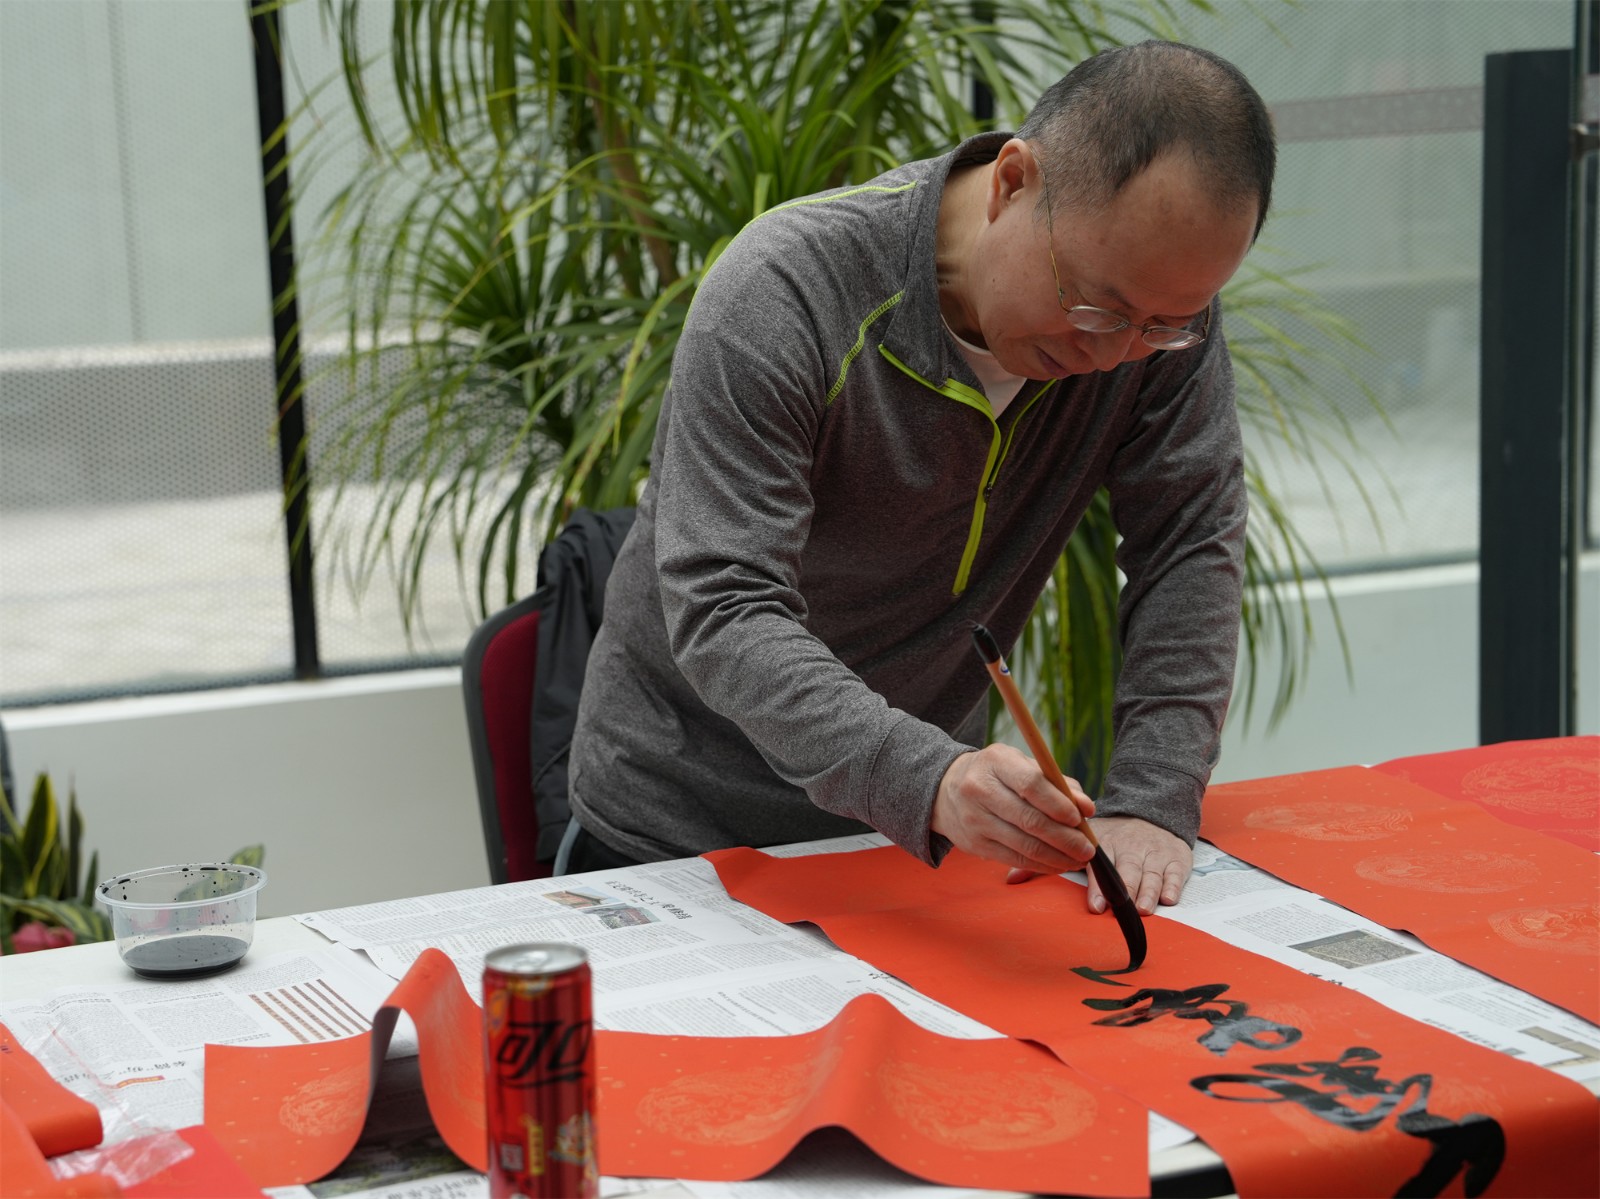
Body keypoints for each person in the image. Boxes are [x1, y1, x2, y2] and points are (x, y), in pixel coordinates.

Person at [565, 39, 1275, 917]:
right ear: (1013, 181)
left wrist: (1154, 795)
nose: (1113, 354)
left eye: (1165, 324)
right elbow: (726, 606)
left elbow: (1189, 541)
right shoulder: (786, 292)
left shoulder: (1154, 322)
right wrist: (931, 777)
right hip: (679, 834)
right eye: (1095, 306)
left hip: (905, 849)